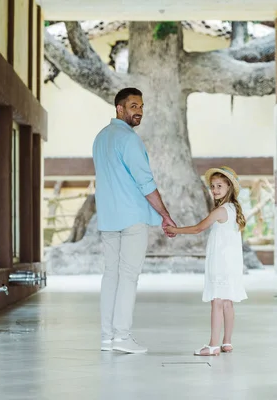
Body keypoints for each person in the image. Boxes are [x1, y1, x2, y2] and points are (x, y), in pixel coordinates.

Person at [92, 87, 177, 354]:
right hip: (131, 218)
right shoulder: (128, 140)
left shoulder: (100, 138)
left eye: (141, 106)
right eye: (133, 106)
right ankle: (122, 337)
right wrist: (164, 213)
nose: (138, 111)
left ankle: (107, 337)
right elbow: (145, 182)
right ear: (119, 108)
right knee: (128, 277)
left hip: (108, 217)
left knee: (111, 276)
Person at [165, 166, 247, 356]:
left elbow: (198, 228)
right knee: (227, 302)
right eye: (212, 186)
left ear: (229, 187)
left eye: (219, 186)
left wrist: (175, 230)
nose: (215, 190)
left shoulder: (221, 211)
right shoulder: (234, 209)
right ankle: (227, 342)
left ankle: (213, 345)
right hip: (232, 264)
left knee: (216, 302)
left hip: (220, 263)